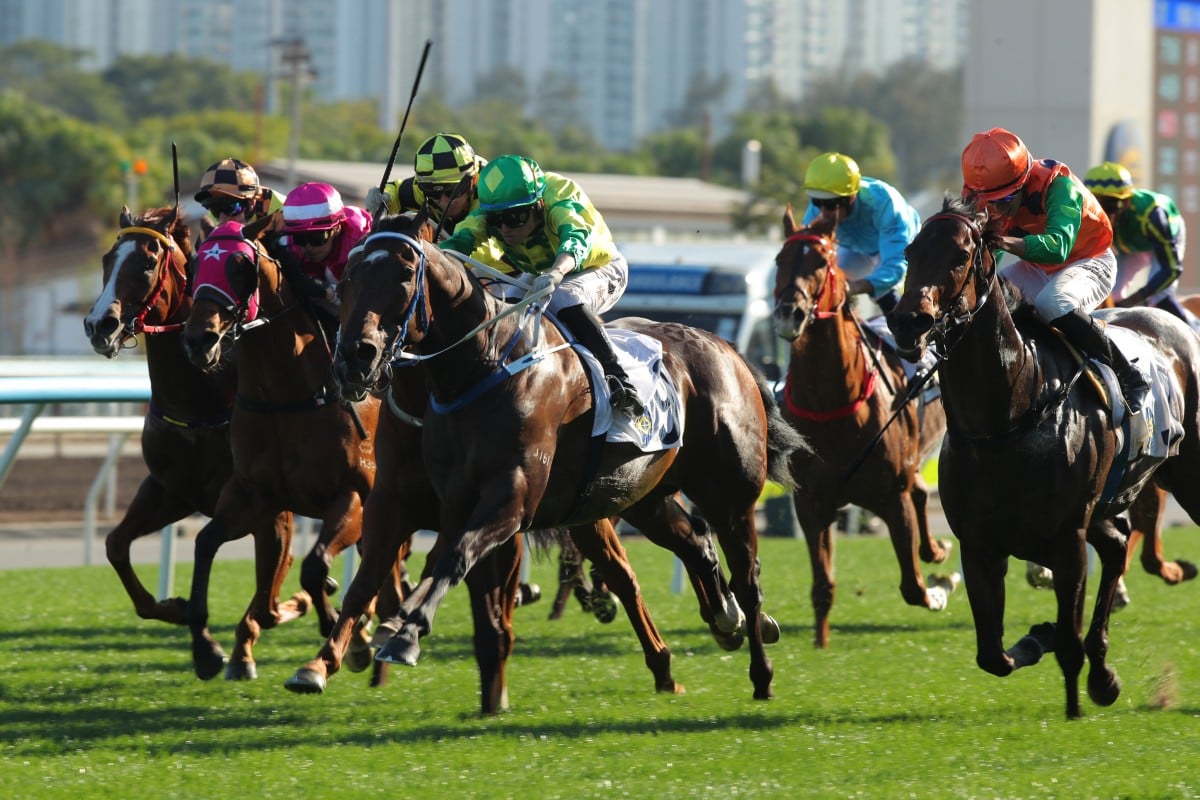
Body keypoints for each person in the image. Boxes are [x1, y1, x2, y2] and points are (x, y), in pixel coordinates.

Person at [961, 127, 1148, 417]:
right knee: (988, 302)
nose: (996, 209)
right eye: (990, 202)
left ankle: (1129, 375)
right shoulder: (981, 190)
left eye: (1005, 200)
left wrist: (1005, 242)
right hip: (1038, 267)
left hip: (1089, 261)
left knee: (1053, 303)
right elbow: (990, 254)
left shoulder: (1060, 186)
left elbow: (1058, 247)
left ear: (1024, 182)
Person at [438, 154, 644, 415]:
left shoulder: (559, 202)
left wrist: (558, 271)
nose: (504, 228)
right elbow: (458, 243)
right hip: (540, 272)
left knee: (563, 298)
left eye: (514, 218)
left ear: (539, 204)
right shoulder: (495, 212)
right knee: (505, 311)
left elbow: (575, 238)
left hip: (597, 267)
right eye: (496, 220)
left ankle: (618, 379)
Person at [800, 152, 921, 316]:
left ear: (851, 198)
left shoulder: (886, 204)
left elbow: (893, 268)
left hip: (900, 248)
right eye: (816, 201)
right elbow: (803, 252)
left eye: (829, 204)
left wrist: (855, 287)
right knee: (830, 281)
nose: (822, 211)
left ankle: (909, 334)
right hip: (858, 250)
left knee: (885, 291)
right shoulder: (819, 209)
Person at [1083, 161, 1195, 327]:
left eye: (1110, 205)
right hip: (1129, 245)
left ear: (1127, 202)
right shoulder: (1084, 215)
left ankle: (1195, 331)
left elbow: (1172, 269)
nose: (1103, 213)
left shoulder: (1153, 215)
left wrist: (1137, 297)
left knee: (1158, 297)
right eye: (1096, 204)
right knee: (1111, 294)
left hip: (1162, 240)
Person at [274, 182, 372, 345]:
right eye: (300, 238)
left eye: (317, 238)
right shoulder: (287, 244)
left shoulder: (361, 243)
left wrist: (329, 293)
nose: (308, 248)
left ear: (338, 229)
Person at [194, 157, 284, 226]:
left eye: (231, 207)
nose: (222, 219)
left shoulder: (285, 210)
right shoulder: (211, 218)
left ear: (252, 201)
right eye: (215, 208)